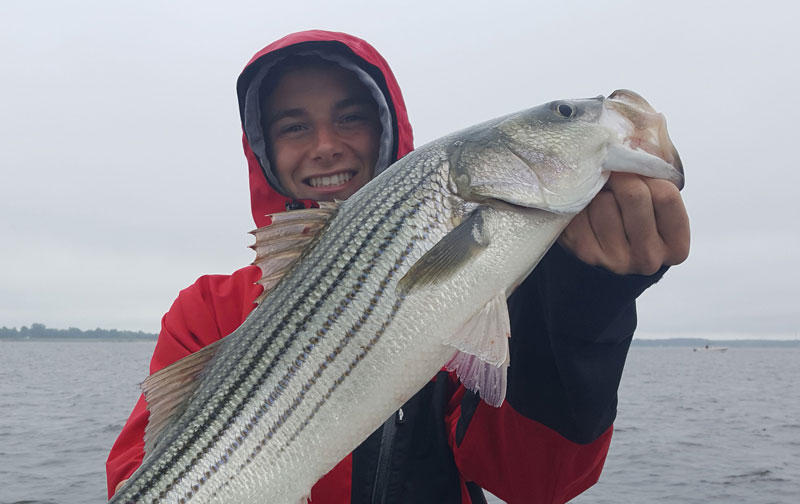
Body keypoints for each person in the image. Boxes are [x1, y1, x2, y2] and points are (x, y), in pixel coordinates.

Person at [106, 30, 689, 503]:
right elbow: (138, 472)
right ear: (261, 146)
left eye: (351, 116)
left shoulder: (504, 282)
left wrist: (583, 312)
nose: (326, 144)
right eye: (294, 125)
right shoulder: (206, 308)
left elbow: (536, 483)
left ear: (388, 126)